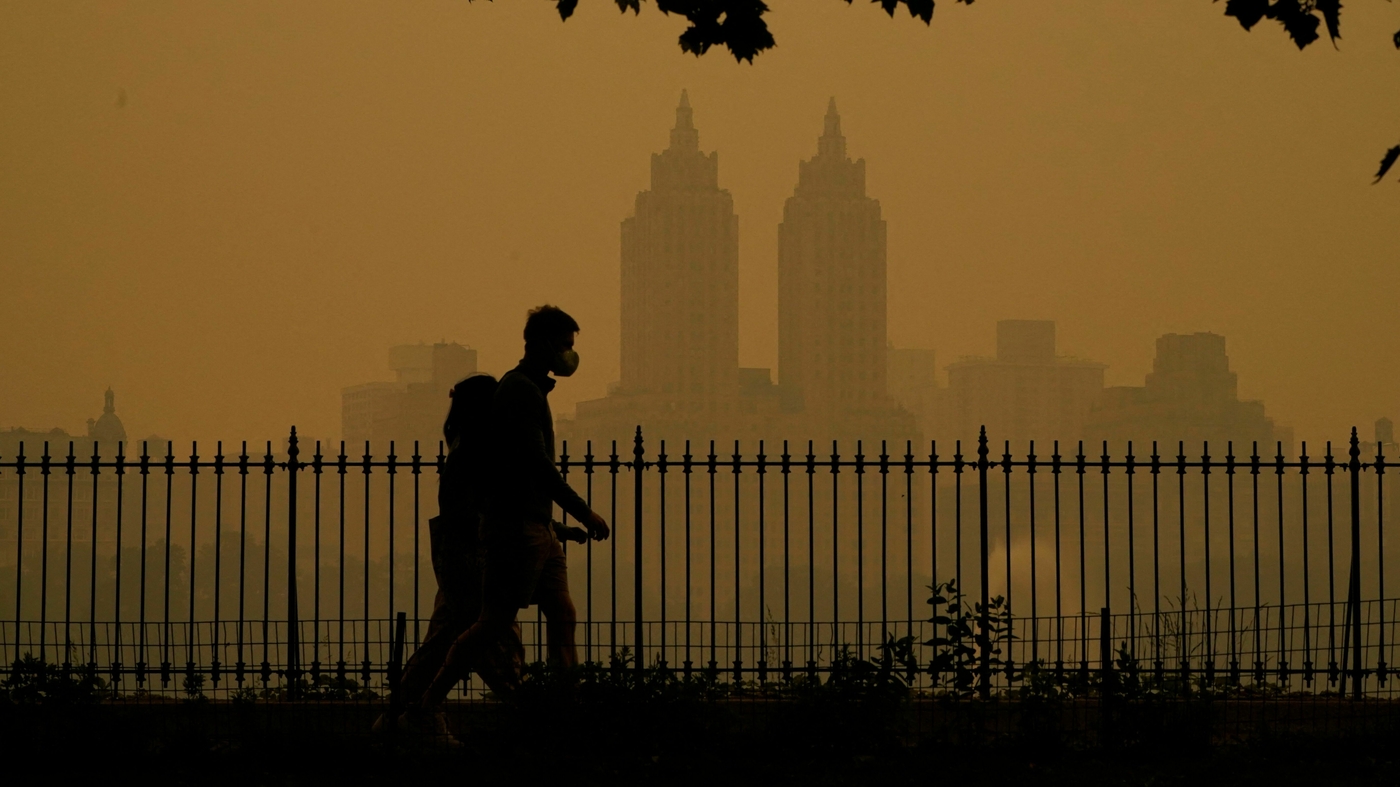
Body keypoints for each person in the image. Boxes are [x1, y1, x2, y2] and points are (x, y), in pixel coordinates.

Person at [417, 305, 609, 719]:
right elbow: (535, 466)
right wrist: (583, 513)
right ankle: (427, 704)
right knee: (492, 623)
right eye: (564, 346)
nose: (569, 355)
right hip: (517, 530)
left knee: (563, 612)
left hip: (538, 527)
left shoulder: (531, 390)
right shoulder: (520, 391)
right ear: (540, 343)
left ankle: (566, 706)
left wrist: (557, 526)